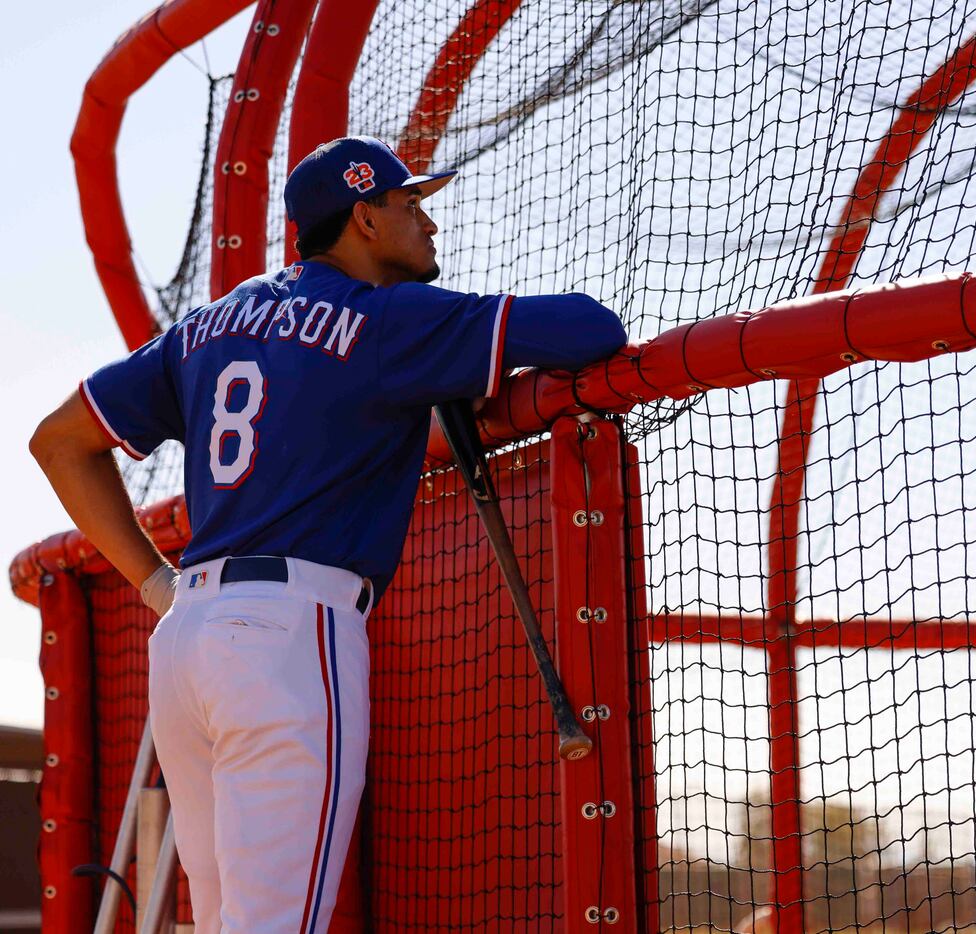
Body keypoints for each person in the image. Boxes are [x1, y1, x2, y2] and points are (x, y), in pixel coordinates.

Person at [29, 136, 627, 932]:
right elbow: (593, 329)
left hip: (186, 639)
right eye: (408, 203)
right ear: (364, 219)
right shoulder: (386, 318)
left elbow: (58, 439)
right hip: (290, 632)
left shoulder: (211, 324)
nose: (429, 222)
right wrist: (459, 370)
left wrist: (151, 583)